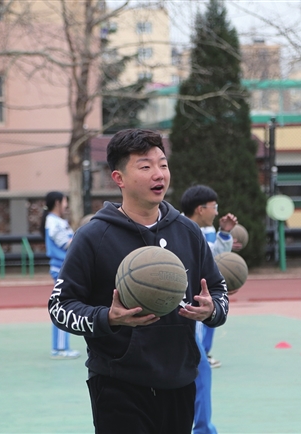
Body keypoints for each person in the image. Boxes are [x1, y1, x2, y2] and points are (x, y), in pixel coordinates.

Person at [48, 129, 229, 434]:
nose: (159, 174)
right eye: (145, 166)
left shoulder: (188, 232)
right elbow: (60, 307)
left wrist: (211, 310)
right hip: (117, 383)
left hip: (179, 381)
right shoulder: (93, 236)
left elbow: (219, 292)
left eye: (163, 164)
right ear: (118, 178)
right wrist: (108, 317)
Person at [181, 184, 239, 434]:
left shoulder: (199, 232)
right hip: (179, 316)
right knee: (199, 372)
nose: (216, 212)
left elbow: (214, 260)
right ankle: (203, 429)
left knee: (199, 369)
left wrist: (224, 233)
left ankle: (203, 428)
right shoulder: (179, 232)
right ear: (200, 208)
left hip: (194, 313)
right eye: (214, 207)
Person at [40, 191, 80, 360]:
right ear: (57, 203)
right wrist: (85, 236)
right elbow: (65, 244)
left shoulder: (57, 221)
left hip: (62, 267)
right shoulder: (54, 222)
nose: (66, 205)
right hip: (61, 268)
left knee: (63, 305)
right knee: (63, 306)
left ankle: (60, 347)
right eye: (64, 202)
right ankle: (61, 348)